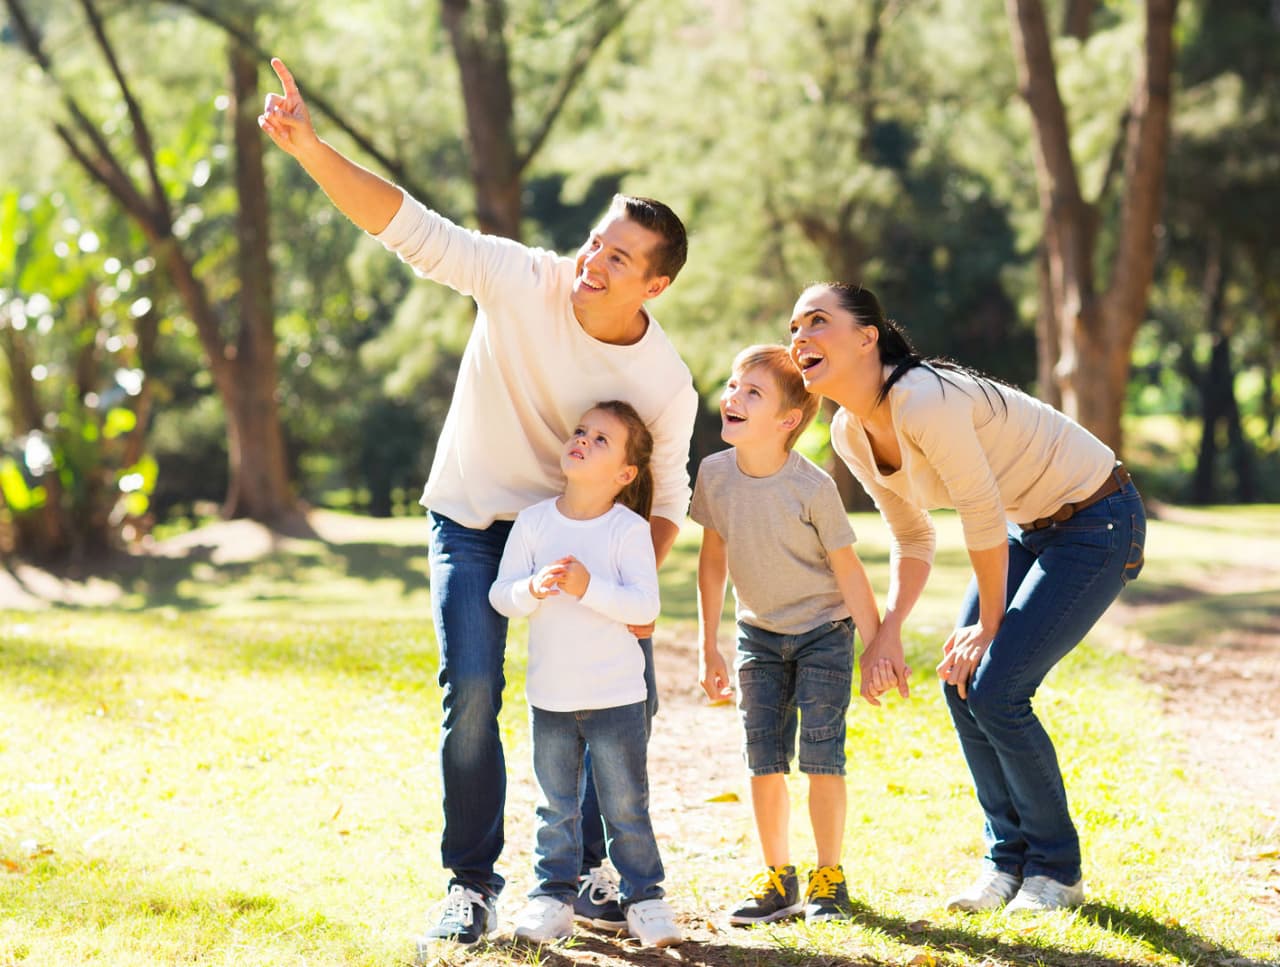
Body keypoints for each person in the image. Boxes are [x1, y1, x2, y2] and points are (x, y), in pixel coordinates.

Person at [259, 60, 698, 947]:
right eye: (595, 241)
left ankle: (611, 871)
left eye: (618, 257)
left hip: (571, 535)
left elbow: (670, 497)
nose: (592, 260)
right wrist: (310, 149)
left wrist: (624, 593)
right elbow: (408, 226)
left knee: (624, 694)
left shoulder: (664, 381)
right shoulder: (520, 278)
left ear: (653, 285)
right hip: (469, 517)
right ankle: (470, 883)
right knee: (472, 686)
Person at [786, 282, 1147, 914]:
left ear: (867, 337)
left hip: (1098, 518)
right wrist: (888, 629)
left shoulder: (923, 398)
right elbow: (911, 534)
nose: (800, 337)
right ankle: (1006, 863)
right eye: (794, 327)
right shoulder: (848, 431)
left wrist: (987, 625)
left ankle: (1056, 871)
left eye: (818, 321)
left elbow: (977, 514)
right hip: (1029, 526)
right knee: (962, 685)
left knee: (997, 688)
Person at [692, 345, 885, 925]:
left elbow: (848, 569)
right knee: (763, 758)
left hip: (824, 631)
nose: (733, 397)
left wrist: (876, 645)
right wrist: (708, 643)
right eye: (732, 385)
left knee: (822, 755)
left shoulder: (812, 487)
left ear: (787, 420)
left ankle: (830, 877)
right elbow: (712, 559)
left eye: (752, 392)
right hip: (758, 635)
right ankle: (778, 877)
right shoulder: (714, 474)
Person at [489, 401, 682, 948]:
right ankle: (551, 899)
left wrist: (586, 587)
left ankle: (646, 900)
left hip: (616, 696)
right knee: (556, 805)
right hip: (550, 697)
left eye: (602, 440)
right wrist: (532, 589)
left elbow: (643, 606)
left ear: (625, 474)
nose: (583, 440)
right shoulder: (533, 522)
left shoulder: (627, 530)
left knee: (625, 805)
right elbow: (501, 596)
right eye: (581, 431)